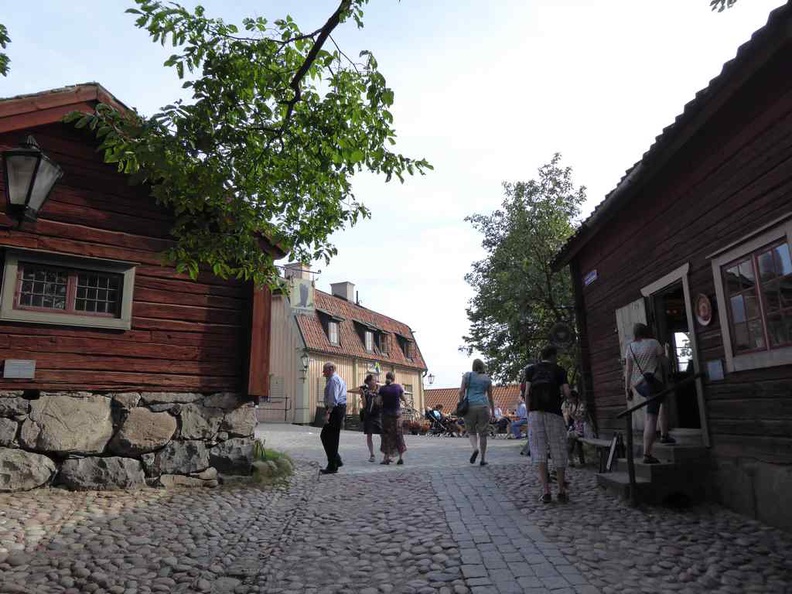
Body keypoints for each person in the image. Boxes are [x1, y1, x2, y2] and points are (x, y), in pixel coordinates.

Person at [524, 345, 571, 503]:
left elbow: (527, 393)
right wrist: (564, 401)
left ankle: (546, 492)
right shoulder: (559, 370)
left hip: (535, 414)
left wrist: (530, 412)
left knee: (539, 451)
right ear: (553, 356)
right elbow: (566, 392)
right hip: (554, 413)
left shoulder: (531, 370)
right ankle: (561, 490)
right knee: (558, 449)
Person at [625, 322, 675, 465]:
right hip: (653, 383)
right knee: (650, 418)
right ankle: (647, 454)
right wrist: (667, 352)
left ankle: (664, 434)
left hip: (639, 385)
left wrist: (627, 388)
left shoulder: (630, 347)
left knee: (663, 401)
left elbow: (628, 370)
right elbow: (666, 363)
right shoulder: (654, 343)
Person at [458, 359, 495, 466]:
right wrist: (492, 412)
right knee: (483, 433)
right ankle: (483, 459)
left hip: (470, 406)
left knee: (471, 431)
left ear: (473, 366)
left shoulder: (467, 376)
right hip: (483, 406)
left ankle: (475, 448)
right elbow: (491, 397)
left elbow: (461, 391)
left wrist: (461, 402)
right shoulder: (487, 379)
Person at [320, 362, 347, 475]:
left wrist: (328, 413)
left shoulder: (333, 380)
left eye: (324, 370)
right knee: (331, 436)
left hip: (335, 409)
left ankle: (333, 463)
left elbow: (333, 399)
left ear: (331, 369)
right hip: (338, 408)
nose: (323, 373)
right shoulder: (336, 379)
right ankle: (335, 460)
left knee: (327, 436)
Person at [348, 374, 381, 462]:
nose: (375, 381)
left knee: (383, 434)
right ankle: (372, 455)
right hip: (368, 416)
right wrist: (362, 395)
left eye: (376, 380)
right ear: (369, 381)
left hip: (378, 415)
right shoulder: (365, 391)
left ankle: (386, 454)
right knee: (369, 435)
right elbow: (365, 405)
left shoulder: (380, 389)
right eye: (374, 380)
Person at [379, 371, 407, 464]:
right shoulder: (398, 387)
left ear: (386, 378)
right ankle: (400, 458)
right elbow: (404, 399)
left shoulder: (382, 389)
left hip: (386, 415)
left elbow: (377, 402)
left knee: (386, 436)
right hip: (397, 415)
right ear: (394, 379)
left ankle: (386, 458)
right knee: (398, 435)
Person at [562, 389, 589, 467]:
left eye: (570, 398)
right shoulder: (571, 406)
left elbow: (582, 418)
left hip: (583, 429)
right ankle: (573, 459)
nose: (568, 400)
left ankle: (571, 459)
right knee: (567, 437)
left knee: (568, 437)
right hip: (576, 428)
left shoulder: (581, 405)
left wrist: (572, 415)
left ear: (574, 397)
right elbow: (571, 420)